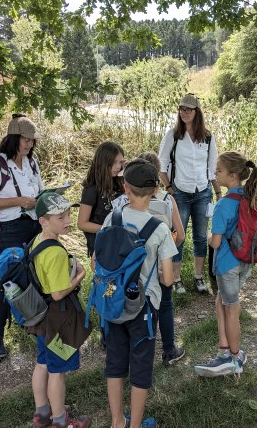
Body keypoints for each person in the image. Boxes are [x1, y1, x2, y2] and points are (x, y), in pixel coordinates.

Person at [102, 159, 177, 428]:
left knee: (115, 359)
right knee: (141, 362)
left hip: (112, 300)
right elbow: (168, 279)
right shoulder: (159, 229)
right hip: (143, 306)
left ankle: (116, 421)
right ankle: (135, 424)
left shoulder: (113, 218)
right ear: (156, 189)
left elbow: (97, 262)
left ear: (125, 188)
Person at [0, 114, 44, 358]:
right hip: (9, 229)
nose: (29, 144)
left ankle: (36, 323)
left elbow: (39, 191)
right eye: (25, 139)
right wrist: (19, 201)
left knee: (37, 275)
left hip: (33, 224)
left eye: (32, 140)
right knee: (10, 283)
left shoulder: (31, 163)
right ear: (13, 138)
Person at [112, 151, 186, 366]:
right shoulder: (167, 198)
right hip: (159, 269)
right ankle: (169, 349)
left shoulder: (120, 204)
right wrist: (167, 250)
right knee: (165, 305)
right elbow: (180, 235)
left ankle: (119, 351)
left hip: (125, 272)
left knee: (126, 308)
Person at [194, 151, 257, 377]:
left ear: (233, 176)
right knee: (221, 301)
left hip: (227, 265)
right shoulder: (250, 197)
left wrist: (211, 235)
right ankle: (226, 351)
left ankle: (234, 359)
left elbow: (215, 243)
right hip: (246, 261)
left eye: (219, 170)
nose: (216, 173)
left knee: (231, 309)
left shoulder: (223, 205)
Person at [29, 192, 91, 428]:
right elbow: (58, 292)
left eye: (67, 214)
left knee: (43, 362)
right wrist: (80, 275)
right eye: (60, 217)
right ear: (43, 221)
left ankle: (42, 412)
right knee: (57, 370)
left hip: (43, 316)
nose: (67, 220)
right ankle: (60, 420)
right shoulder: (54, 252)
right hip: (60, 317)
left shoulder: (39, 241)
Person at [159, 93, 221, 294]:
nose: (184, 113)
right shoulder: (173, 135)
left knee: (201, 236)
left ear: (197, 112)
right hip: (180, 192)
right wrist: (169, 188)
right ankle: (176, 279)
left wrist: (218, 191)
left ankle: (198, 276)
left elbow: (212, 167)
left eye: (188, 109)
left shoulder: (208, 137)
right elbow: (162, 164)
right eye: (181, 109)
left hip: (203, 191)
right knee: (177, 235)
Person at [77, 141, 125, 257]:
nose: (118, 167)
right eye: (114, 162)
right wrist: (108, 228)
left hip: (119, 243)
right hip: (101, 245)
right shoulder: (91, 188)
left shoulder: (119, 181)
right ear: (103, 163)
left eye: (121, 162)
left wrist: (128, 171)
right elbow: (82, 224)